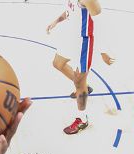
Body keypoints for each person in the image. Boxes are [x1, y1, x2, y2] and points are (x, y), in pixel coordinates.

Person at [46, 0, 114, 134]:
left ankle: (82, 119)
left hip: (84, 42)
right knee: (57, 64)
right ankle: (84, 87)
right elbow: (70, 11)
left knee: (79, 82)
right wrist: (57, 20)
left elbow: (100, 24)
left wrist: (103, 51)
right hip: (71, 39)